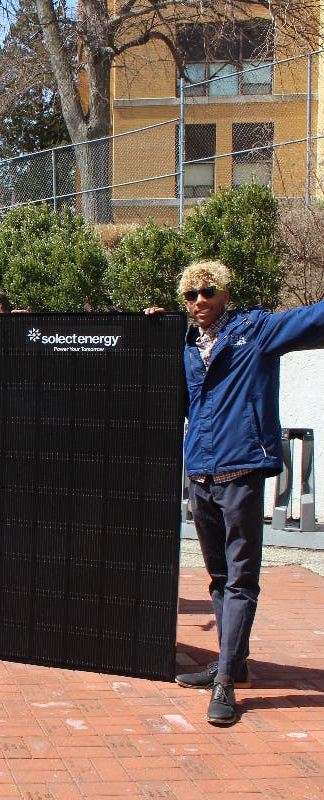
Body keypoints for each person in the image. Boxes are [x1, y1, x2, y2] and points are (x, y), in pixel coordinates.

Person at [147, 260, 324, 725]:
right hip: (200, 473)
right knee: (219, 577)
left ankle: (225, 682)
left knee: (241, 578)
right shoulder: (184, 345)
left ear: (225, 293)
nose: (199, 301)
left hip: (241, 468)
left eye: (207, 292)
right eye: (190, 295)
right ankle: (234, 663)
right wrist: (150, 331)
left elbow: (315, 318)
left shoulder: (257, 330)